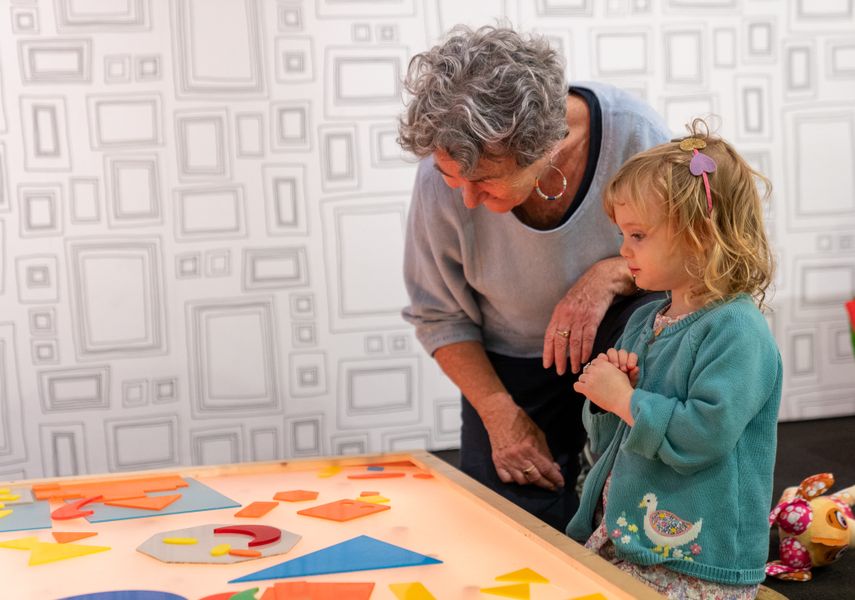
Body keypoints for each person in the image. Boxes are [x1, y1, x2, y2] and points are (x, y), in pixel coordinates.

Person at [397, 24, 671, 530]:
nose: (468, 200)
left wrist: (608, 275)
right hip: (510, 363)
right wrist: (501, 415)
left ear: (544, 146)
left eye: (483, 179)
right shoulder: (442, 179)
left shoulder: (635, 135)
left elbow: (689, 255)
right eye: (454, 179)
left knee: (634, 518)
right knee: (507, 527)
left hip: (621, 345)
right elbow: (438, 315)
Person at [566, 119, 782, 599]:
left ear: (701, 235)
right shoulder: (647, 319)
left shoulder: (737, 330)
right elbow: (617, 441)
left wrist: (626, 401)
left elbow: (704, 436)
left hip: (695, 562)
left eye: (638, 235)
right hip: (628, 538)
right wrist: (607, 402)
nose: (623, 250)